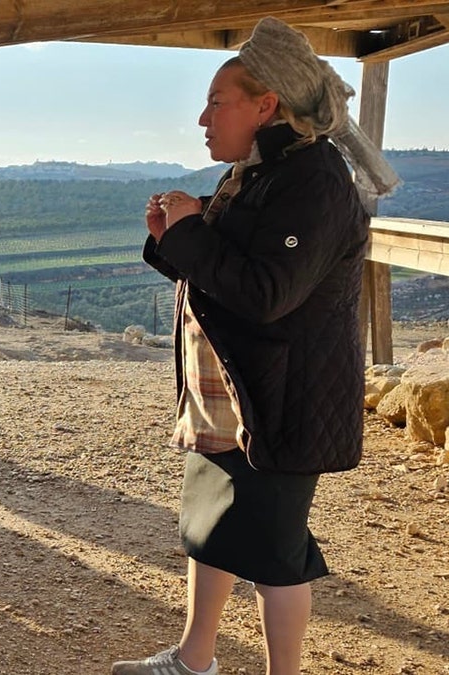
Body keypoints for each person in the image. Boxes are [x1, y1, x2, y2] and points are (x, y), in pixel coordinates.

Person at [113, 17, 400, 675]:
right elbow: (225, 271)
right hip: (238, 398)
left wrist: (191, 233)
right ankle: (195, 660)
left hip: (280, 404)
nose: (202, 118)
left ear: (265, 104)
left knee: (275, 555)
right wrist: (172, 238)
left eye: (218, 101)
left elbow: (268, 290)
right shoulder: (268, 172)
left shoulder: (315, 180)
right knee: (210, 532)